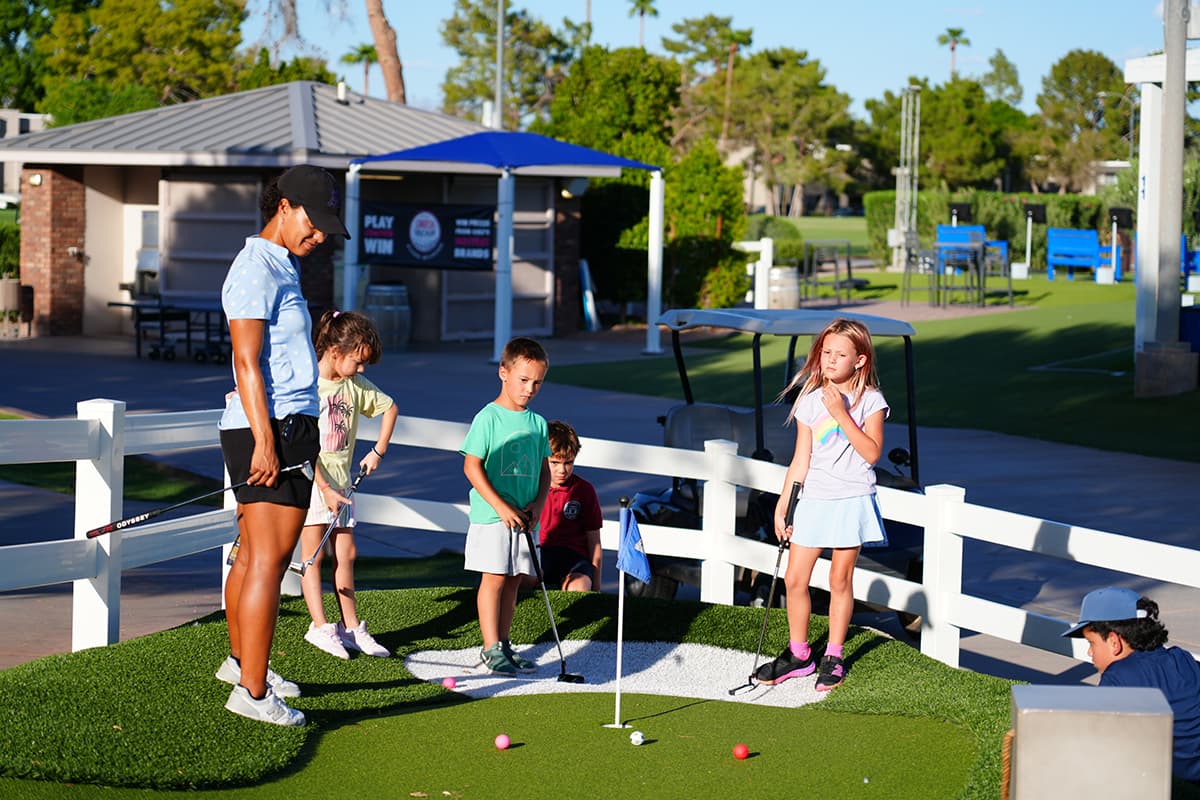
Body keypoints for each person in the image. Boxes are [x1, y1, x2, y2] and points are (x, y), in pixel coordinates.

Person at [215, 164, 350, 726]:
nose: (318, 237)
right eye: (313, 224)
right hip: (271, 429)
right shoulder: (256, 268)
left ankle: (243, 666)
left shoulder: (280, 264)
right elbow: (246, 360)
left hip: (280, 425)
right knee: (270, 563)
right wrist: (266, 441)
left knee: (253, 555)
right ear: (286, 206)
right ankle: (252, 693)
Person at [755, 318, 888, 692]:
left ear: (859, 360)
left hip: (851, 499)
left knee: (838, 580)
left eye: (840, 354)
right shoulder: (810, 401)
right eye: (826, 352)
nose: (830, 359)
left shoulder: (871, 401)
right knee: (794, 579)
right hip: (813, 498)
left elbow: (872, 453)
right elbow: (801, 459)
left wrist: (842, 413)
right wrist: (784, 504)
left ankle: (833, 655)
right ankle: (800, 655)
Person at [300, 310, 399, 660]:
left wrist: (378, 451)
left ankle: (351, 627)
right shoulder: (309, 386)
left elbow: (390, 408)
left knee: (347, 553)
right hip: (314, 483)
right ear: (335, 351)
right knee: (313, 554)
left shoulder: (353, 385)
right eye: (358, 362)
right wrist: (325, 489)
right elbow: (303, 446)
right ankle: (319, 626)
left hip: (342, 484)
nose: (362, 369)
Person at [460, 337, 552, 676]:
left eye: (537, 382)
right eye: (524, 380)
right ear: (503, 372)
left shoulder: (538, 423)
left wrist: (538, 505)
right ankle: (490, 648)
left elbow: (544, 470)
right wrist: (500, 506)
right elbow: (471, 466)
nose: (530, 389)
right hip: (493, 516)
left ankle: (504, 643)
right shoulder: (488, 418)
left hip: (525, 517)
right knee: (495, 578)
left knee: (514, 580)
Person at [1062, 587, 1200, 783]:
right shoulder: (1182, 658)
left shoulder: (1117, 680)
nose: (1089, 652)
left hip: (1172, 783)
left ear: (1114, 642)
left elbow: (1094, 743)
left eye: (1091, 643)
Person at [534, 420, 603, 592]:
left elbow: (594, 542)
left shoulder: (584, 490)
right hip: (538, 553)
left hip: (574, 558)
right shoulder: (530, 487)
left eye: (568, 463)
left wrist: (597, 589)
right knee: (526, 579)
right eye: (554, 462)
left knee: (579, 586)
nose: (562, 470)